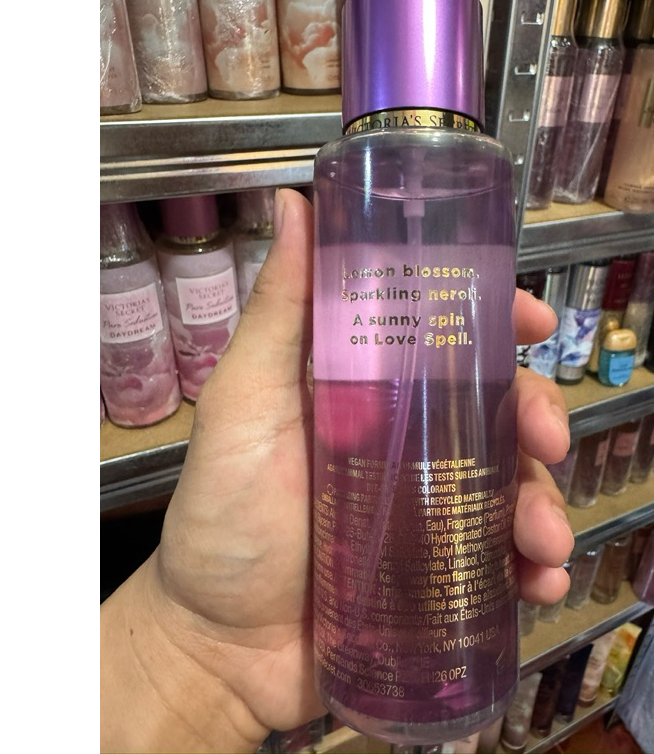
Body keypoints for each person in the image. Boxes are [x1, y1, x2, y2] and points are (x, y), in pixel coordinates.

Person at [100, 188, 575, 753]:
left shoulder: (471, 202)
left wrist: (189, 656)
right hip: (328, 635)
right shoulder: (356, 211)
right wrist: (198, 643)